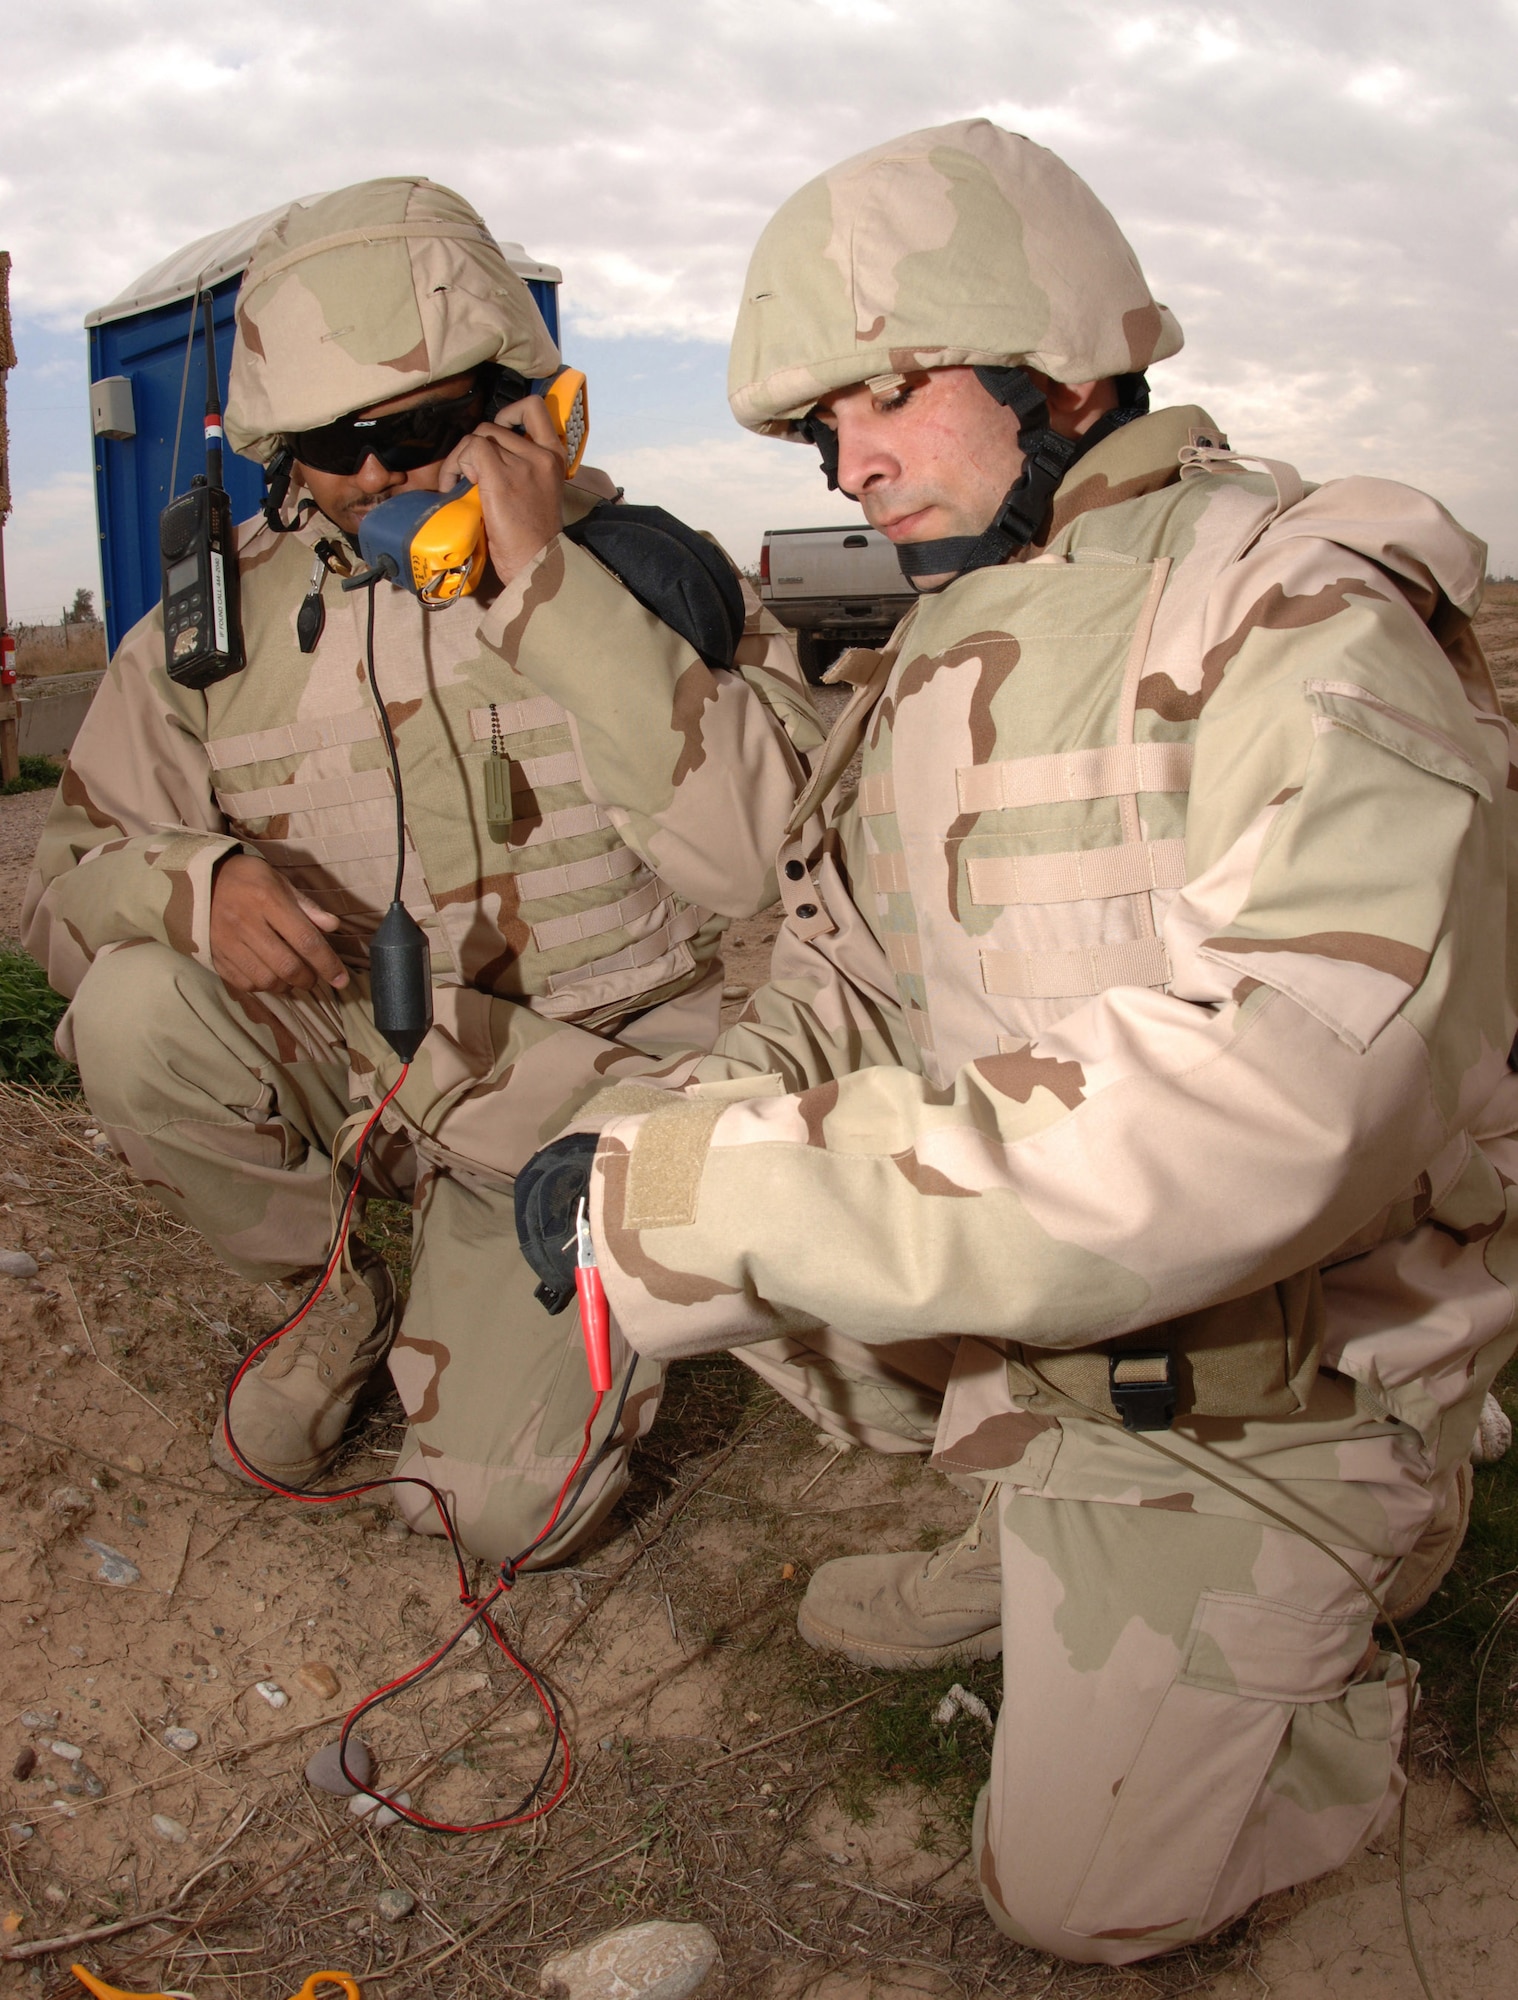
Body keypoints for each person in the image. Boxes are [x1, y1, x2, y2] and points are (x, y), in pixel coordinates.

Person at [514, 122, 1518, 1960]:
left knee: (1080, 1905)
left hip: (1276, 1393)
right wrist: (691, 1123)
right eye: (823, 424)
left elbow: (1288, 1101)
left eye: (888, 390)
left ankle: (1346, 1640)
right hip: (1054, 1342)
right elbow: (847, 982)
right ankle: (1032, 1525)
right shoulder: (954, 638)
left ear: (1059, 360)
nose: (853, 455)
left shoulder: (1290, 613)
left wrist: (738, 1197)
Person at [22, 176, 820, 1567]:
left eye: (419, 428)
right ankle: (322, 1296)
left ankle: (556, 1292)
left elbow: (776, 856)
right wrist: (193, 886)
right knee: (136, 1007)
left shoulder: (648, 576)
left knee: (489, 1522)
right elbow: (62, 877)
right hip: (364, 1070)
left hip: (584, 1096)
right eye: (334, 442)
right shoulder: (213, 632)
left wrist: (550, 592)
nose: (380, 473)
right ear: (280, 450)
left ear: (520, 402)